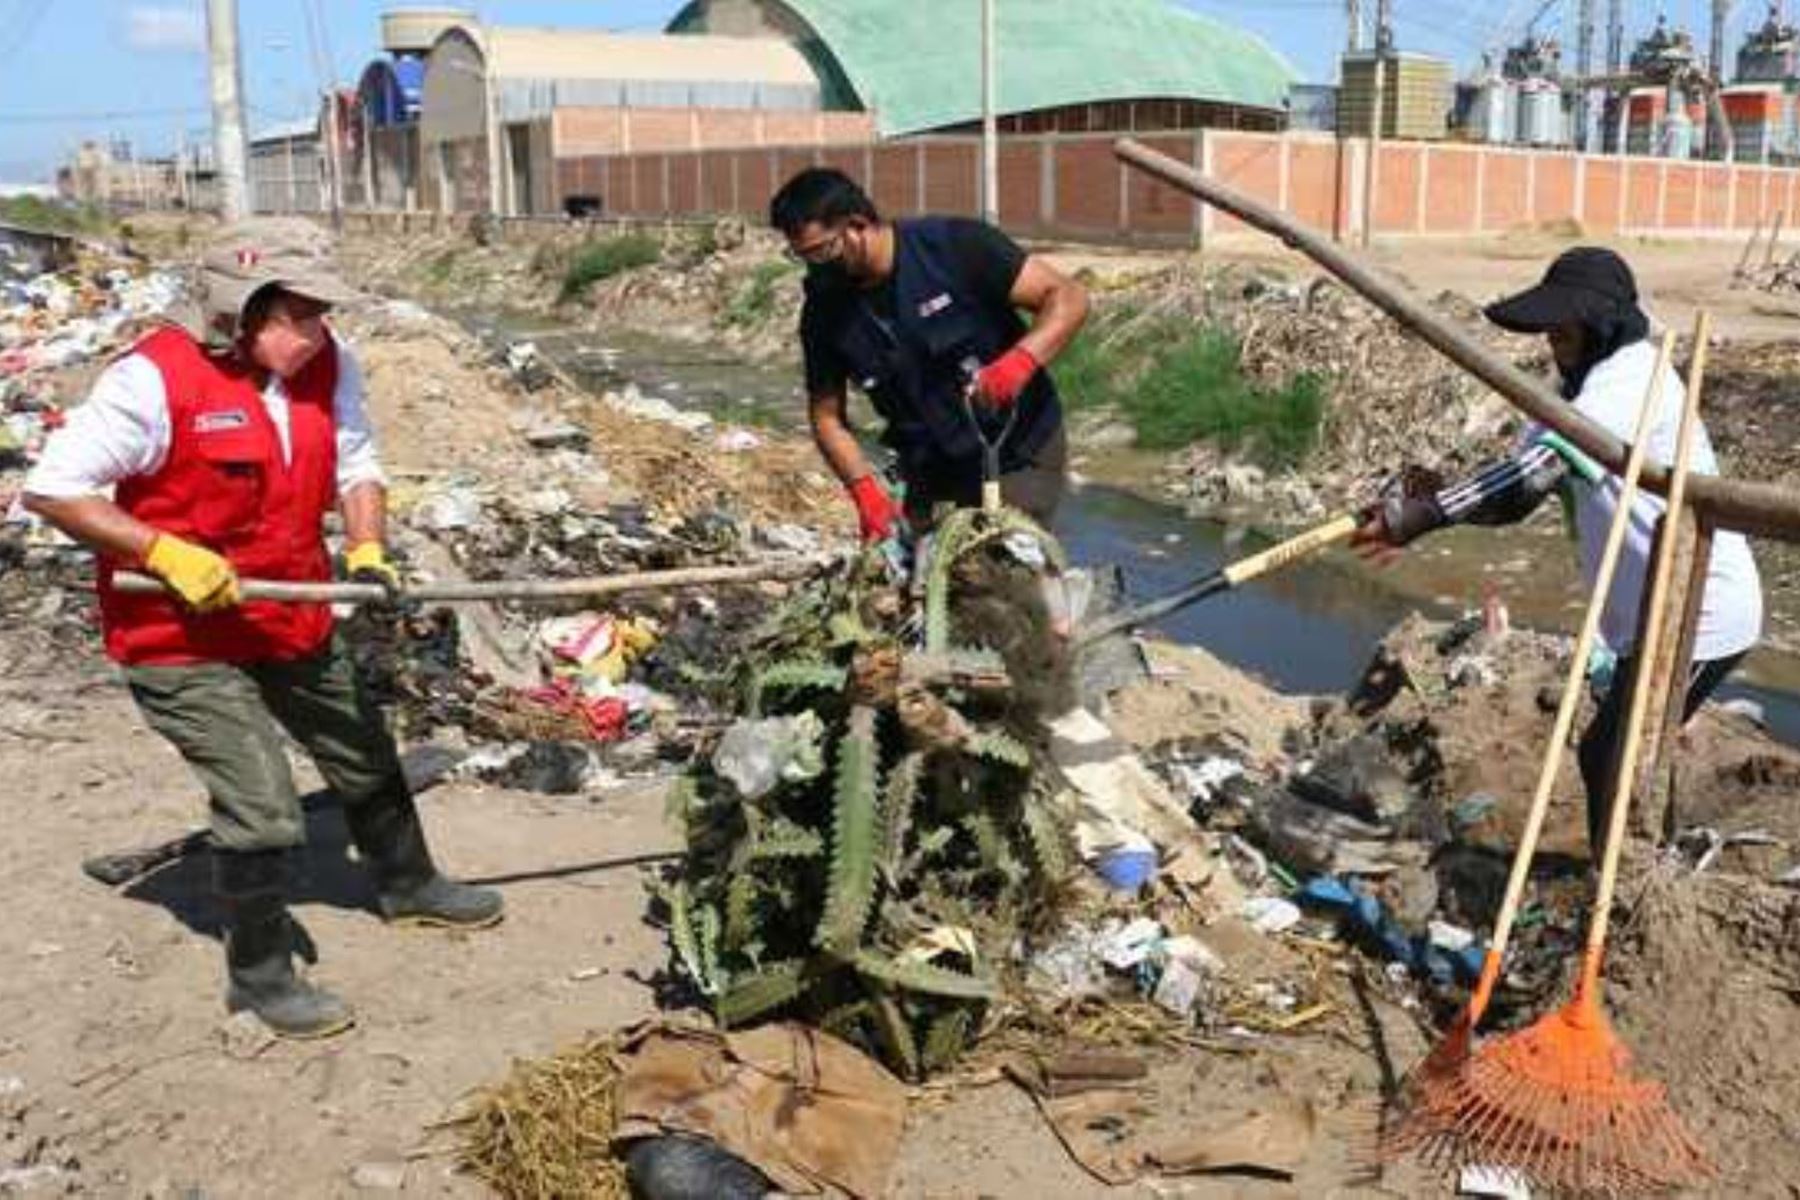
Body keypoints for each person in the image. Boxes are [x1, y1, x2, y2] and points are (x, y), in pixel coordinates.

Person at [22, 220, 502, 1040]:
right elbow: (54, 488)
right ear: (238, 311)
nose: (317, 335)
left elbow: (356, 462)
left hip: (290, 607)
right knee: (264, 809)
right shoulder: (152, 383)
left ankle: (410, 885)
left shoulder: (330, 366)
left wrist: (368, 545)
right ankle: (260, 978)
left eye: (321, 316)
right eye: (300, 317)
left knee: (362, 746)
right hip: (178, 637)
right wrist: (163, 550)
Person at [1352, 247, 1763, 856]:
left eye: (1565, 324)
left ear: (1602, 324)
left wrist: (1424, 516)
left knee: (1614, 755)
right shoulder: (1571, 394)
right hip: (1646, 618)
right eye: (1550, 325)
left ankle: (1625, 879)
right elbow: (1514, 496)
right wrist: (1427, 508)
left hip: (1698, 615)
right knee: (1628, 749)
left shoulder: (1630, 378)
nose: (1552, 337)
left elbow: (1538, 471)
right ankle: (1648, 859)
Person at [768, 167, 1089, 538]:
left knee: (992, 577)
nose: (815, 266)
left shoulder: (954, 247)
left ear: (856, 225)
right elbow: (827, 418)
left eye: (823, 251)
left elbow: (1068, 296)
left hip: (1015, 447)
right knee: (913, 576)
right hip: (927, 462)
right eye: (802, 256)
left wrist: (1019, 363)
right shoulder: (826, 310)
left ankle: (1050, 592)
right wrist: (864, 492)